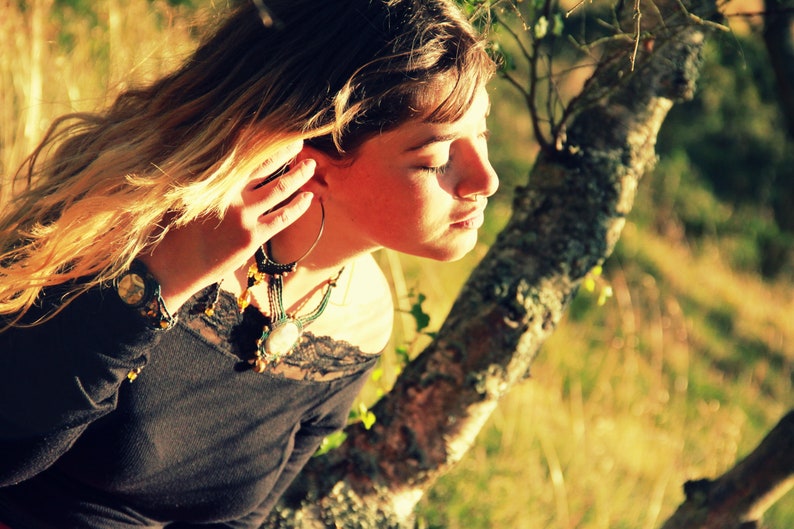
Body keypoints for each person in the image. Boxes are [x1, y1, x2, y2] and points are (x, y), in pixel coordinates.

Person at [0, 0, 499, 526]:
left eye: (483, 131)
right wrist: (158, 284)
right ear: (312, 159)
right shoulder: (134, 229)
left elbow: (241, 518)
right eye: (437, 158)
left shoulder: (360, 320)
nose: (485, 179)